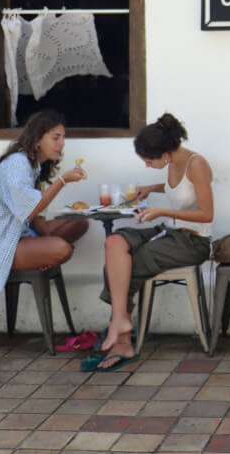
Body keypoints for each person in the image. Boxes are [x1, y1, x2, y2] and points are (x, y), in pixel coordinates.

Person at [90, 112, 213, 371]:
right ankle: (120, 324)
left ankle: (121, 338)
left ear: (165, 155)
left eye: (148, 160)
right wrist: (152, 188)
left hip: (192, 242)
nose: (146, 165)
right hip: (169, 232)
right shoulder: (172, 161)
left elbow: (206, 213)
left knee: (129, 264)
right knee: (114, 244)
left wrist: (164, 211)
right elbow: (180, 188)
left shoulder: (197, 164)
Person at [0, 110, 89, 296]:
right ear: (37, 139)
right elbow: (30, 210)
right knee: (63, 249)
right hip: (3, 243)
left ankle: (44, 252)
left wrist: (45, 245)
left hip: (24, 233)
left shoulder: (35, 166)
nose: (62, 144)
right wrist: (62, 181)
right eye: (56, 138)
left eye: (63, 138)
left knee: (80, 223)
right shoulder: (17, 163)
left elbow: (38, 220)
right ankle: (45, 253)